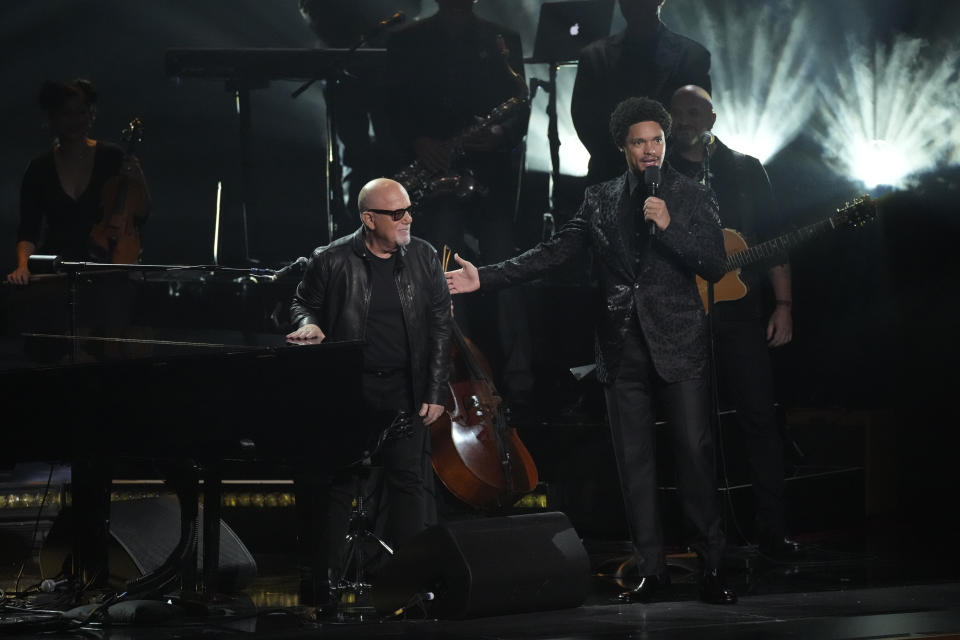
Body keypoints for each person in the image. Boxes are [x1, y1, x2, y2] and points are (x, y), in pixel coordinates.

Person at [446, 97, 737, 604]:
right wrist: (484, 278)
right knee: (634, 461)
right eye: (640, 142)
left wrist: (669, 226)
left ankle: (713, 567)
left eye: (657, 141)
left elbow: (714, 264)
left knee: (694, 453)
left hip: (679, 343)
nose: (650, 150)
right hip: (622, 346)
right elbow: (553, 252)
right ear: (623, 148)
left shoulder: (692, 196)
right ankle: (653, 570)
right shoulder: (600, 199)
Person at [286, 177, 451, 607]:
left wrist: (433, 389)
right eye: (397, 213)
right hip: (350, 391)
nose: (408, 219)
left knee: (410, 484)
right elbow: (302, 302)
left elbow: (439, 326)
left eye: (409, 210)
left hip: (406, 388)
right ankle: (324, 586)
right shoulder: (332, 259)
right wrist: (307, 323)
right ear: (368, 219)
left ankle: (414, 584)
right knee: (340, 484)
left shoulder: (425, 256)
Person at [667, 85, 801, 559]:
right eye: (675, 112)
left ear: (712, 118)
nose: (683, 119)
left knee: (759, 417)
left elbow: (774, 239)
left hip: (742, 310)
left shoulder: (744, 170)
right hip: (683, 316)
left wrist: (783, 305)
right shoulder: (656, 173)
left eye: (692, 111)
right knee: (692, 427)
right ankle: (704, 535)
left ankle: (773, 530)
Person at [383, 0, 534, 408]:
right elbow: (388, 107)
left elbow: (520, 107)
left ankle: (518, 379)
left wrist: (501, 132)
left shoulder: (502, 39)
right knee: (445, 268)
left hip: (490, 175)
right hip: (435, 178)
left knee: (505, 265)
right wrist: (418, 141)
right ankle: (463, 374)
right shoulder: (406, 41)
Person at [6, 78, 149, 285]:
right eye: (67, 113)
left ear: (91, 115)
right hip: (57, 269)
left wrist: (138, 178)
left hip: (108, 266)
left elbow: (141, 215)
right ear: (52, 118)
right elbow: (29, 230)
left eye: (81, 112)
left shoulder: (112, 157)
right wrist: (23, 266)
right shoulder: (39, 168)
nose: (75, 120)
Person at [572, 0, 711, 186]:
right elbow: (585, 121)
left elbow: (697, 121)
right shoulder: (593, 57)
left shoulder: (692, 57)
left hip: (671, 182)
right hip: (612, 178)